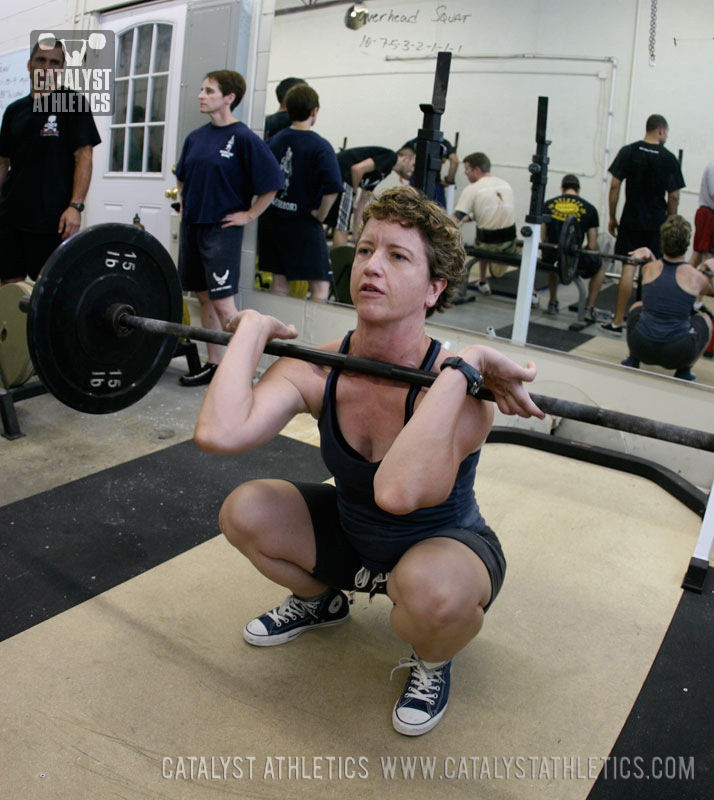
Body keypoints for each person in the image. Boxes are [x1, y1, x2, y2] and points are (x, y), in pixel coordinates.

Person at [194, 186, 544, 736]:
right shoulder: (321, 366)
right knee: (245, 510)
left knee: (434, 596)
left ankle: (432, 659)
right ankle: (322, 602)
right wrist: (253, 330)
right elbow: (219, 432)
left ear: (434, 289)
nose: (371, 266)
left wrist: (467, 363)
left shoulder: (463, 391)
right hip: (354, 533)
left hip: (442, 547)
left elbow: (398, 494)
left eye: (397, 256)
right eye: (364, 250)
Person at [175, 69, 284, 386]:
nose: (201, 95)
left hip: (222, 229)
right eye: (202, 89)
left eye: (209, 90)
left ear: (229, 98)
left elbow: (272, 184)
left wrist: (249, 215)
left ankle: (243, 374)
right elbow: (182, 174)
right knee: (204, 297)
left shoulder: (245, 138)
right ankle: (215, 364)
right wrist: (184, 200)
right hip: (193, 227)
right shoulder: (195, 137)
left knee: (224, 303)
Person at [0, 39, 100, 286]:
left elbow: (84, 156)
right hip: (11, 215)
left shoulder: (73, 104)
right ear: (29, 65)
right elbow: (2, 162)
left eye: (54, 62)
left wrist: (75, 207)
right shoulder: (14, 110)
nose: (47, 67)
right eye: (41, 60)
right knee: (10, 287)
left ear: (62, 68)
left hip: (53, 220)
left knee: (51, 290)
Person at [601, 114, 685, 334]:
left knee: (629, 265)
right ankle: (647, 324)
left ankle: (618, 322)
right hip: (656, 222)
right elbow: (674, 196)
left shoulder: (629, 151)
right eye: (666, 132)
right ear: (660, 131)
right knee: (652, 270)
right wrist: (670, 222)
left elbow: (614, 186)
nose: (666, 136)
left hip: (631, 218)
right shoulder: (668, 159)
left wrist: (612, 216)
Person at [258, 84, 342, 302]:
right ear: (314, 111)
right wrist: (322, 215)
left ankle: (276, 334)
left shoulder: (273, 142)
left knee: (279, 283)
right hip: (304, 224)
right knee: (320, 288)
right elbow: (333, 187)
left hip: (274, 220)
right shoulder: (321, 146)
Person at [621, 215, 713, 381]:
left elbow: (662, 278)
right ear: (686, 244)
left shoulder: (648, 269)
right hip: (677, 353)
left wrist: (649, 255)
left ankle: (632, 359)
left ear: (662, 240)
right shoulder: (697, 277)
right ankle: (684, 371)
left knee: (637, 306)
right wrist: (708, 268)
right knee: (706, 318)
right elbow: (709, 289)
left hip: (642, 347)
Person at [450, 153, 537, 306]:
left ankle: (483, 281)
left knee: (479, 239)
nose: (465, 173)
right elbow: (489, 213)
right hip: (509, 244)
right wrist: (469, 217)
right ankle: (532, 292)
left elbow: (455, 219)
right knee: (521, 254)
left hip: (485, 244)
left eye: (467, 169)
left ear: (477, 169)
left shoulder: (472, 189)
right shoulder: (506, 185)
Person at [325, 145, 416, 248]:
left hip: (336, 172)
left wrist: (356, 235)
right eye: (413, 165)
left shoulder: (383, 171)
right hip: (341, 173)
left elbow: (363, 201)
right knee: (342, 224)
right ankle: (339, 262)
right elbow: (357, 169)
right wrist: (354, 194)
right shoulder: (391, 158)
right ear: (405, 159)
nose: (412, 170)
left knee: (339, 221)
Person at [541, 174, 603, 319]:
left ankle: (553, 301)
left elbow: (543, 239)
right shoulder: (590, 209)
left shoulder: (548, 205)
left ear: (562, 188)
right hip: (574, 259)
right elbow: (593, 246)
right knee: (600, 268)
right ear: (579, 189)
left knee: (550, 255)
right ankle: (589, 308)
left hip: (551, 258)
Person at [402, 135, 459, 209]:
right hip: (435, 184)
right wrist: (449, 180)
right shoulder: (443, 143)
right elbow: (455, 161)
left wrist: (404, 174)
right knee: (439, 214)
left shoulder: (415, 142)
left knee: (413, 211)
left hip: (415, 183)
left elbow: (398, 159)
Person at [690, 158, 714, 268]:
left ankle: (684, 281)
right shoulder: (713, 167)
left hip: (708, 215)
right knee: (708, 256)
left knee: (698, 254)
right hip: (708, 215)